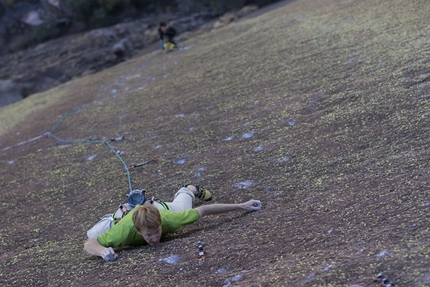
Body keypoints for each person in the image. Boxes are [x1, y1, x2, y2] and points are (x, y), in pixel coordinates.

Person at [84, 185, 262, 262]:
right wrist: (102, 251)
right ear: (138, 232)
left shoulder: (169, 219)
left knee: (184, 201)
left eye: (157, 232)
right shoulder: (122, 232)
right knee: (91, 234)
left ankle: (191, 188)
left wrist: (241, 206)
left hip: (160, 208)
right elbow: (89, 244)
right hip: (122, 217)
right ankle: (116, 214)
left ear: (161, 224)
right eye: (149, 235)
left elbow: (204, 210)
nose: (155, 239)